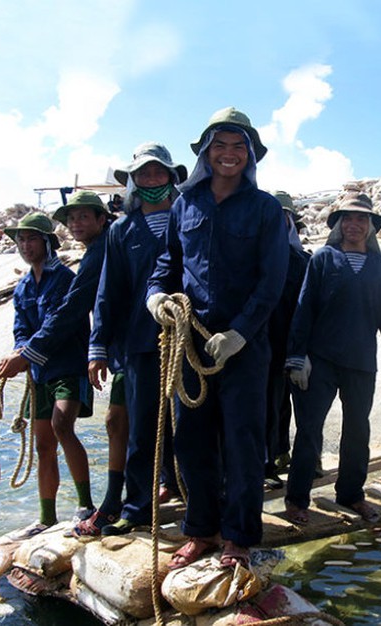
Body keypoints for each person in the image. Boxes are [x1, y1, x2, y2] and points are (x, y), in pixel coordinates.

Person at [146, 107, 289, 569]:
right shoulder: (184, 205)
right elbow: (167, 265)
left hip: (244, 349)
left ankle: (240, 537)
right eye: (220, 146)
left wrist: (239, 333)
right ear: (207, 152)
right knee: (191, 439)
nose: (229, 155)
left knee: (244, 440)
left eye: (238, 147)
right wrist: (155, 297)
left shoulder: (266, 209)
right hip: (190, 343)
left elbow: (273, 282)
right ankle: (201, 529)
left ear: (250, 155)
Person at [284, 193, 381, 526]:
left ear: (371, 227)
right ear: (338, 225)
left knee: (358, 430)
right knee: (309, 430)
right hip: (320, 361)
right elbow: (304, 308)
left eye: (362, 219)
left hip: (361, 363)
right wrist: (298, 356)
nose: (354, 225)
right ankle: (297, 499)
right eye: (348, 219)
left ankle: (352, 494)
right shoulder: (324, 258)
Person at [88, 142, 187, 536]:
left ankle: (198, 500)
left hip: (188, 340)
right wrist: (98, 346)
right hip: (139, 344)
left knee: (191, 425)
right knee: (142, 429)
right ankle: (138, 507)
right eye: (142, 174)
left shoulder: (189, 218)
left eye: (158, 173)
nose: (150, 180)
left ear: (171, 177)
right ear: (131, 181)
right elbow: (107, 291)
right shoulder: (120, 231)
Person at [0, 211, 95, 538]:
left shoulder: (65, 279)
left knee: (62, 424)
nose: (25, 245)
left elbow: (60, 324)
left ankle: (86, 506)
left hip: (68, 365)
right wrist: (20, 351)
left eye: (32, 238)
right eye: (21, 240)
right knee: (42, 444)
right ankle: (47, 517)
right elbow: (21, 328)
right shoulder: (23, 287)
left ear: (47, 242)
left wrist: (24, 356)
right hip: (40, 374)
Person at [264, 191, 311, 489]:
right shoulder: (256, 259)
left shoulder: (304, 262)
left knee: (296, 406)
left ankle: (294, 457)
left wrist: (303, 351)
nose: (281, 224)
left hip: (293, 346)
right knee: (266, 406)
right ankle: (266, 462)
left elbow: (309, 308)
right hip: (260, 346)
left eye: (286, 218)